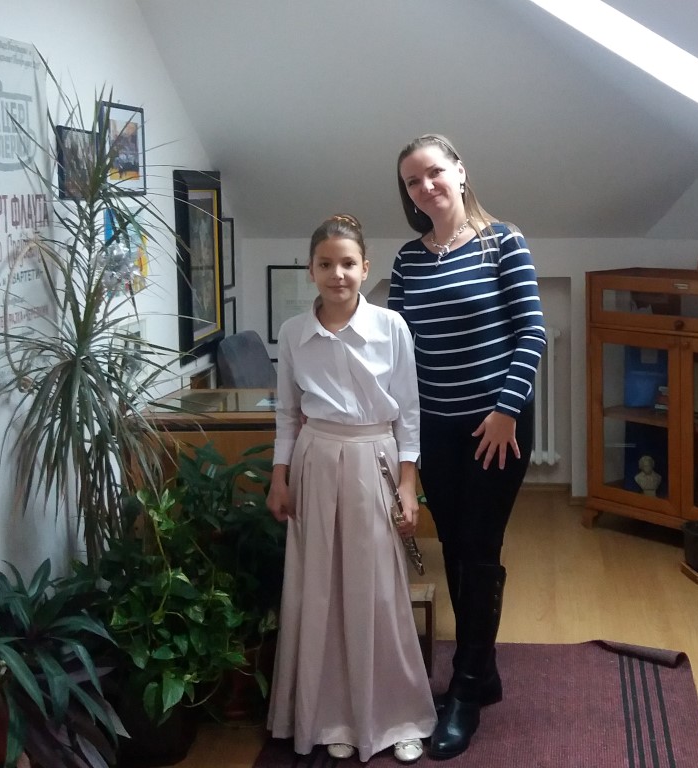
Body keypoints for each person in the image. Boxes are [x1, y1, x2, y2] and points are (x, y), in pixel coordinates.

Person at [389, 135, 546, 759]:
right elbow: (396, 346)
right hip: (436, 431)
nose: (425, 186)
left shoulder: (502, 242)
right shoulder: (407, 259)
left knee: (479, 550)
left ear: (459, 172)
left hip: (495, 430)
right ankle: (485, 670)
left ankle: (464, 690)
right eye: (412, 181)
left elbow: (532, 332)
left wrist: (506, 410)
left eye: (434, 172)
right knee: (455, 549)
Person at [266, 214, 436, 764]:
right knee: (322, 591)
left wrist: (408, 484)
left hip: (374, 459)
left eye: (347, 263)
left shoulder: (391, 326)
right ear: (311, 270)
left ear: (365, 268)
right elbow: (287, 414)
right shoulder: (294, 333)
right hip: (315, 460)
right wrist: (279, 476)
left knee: (380, 591)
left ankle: (397, 714)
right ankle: (333, 714)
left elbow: (409, 412)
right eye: (325, 264)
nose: (336, 274)